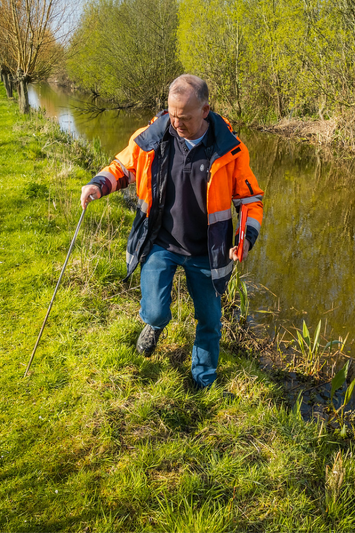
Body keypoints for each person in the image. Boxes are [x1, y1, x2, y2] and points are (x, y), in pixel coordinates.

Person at [80, 74, 264, 389]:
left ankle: (203, 379)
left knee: (209, 320)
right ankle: (154, 324)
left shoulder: (230, 149)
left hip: (207, 252)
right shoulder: (153, 136)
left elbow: (250, 200)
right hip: (159, 242)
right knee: (153, 310)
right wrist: (98, 185)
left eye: (185, 118)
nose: (176, 123)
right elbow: (123, 168)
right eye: (172, 114)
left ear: (205, 110)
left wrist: (245, 239)